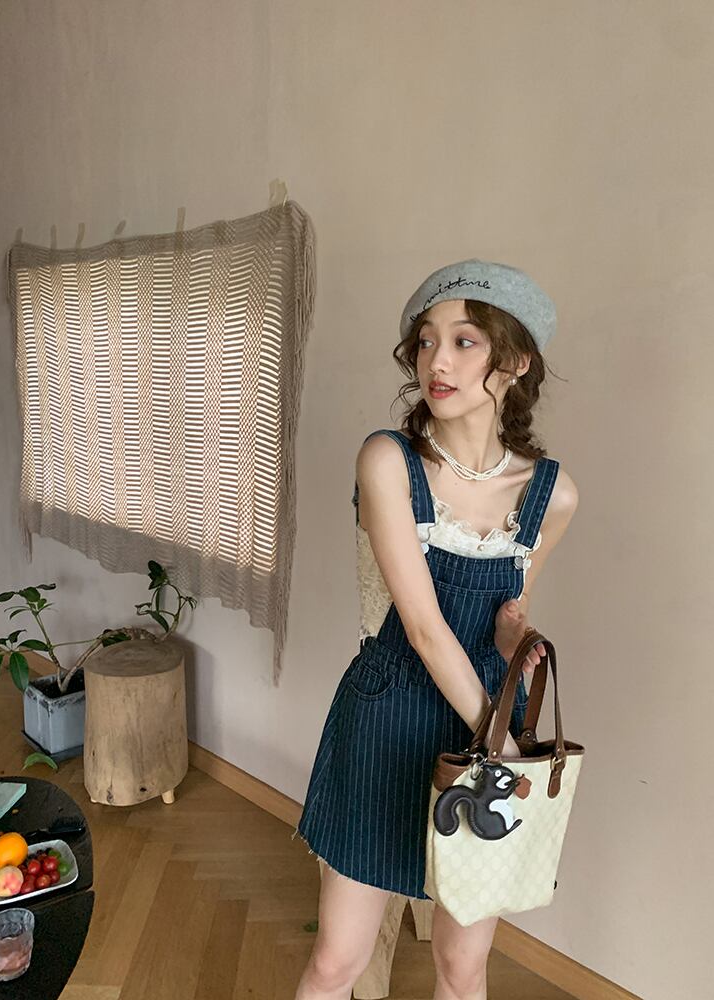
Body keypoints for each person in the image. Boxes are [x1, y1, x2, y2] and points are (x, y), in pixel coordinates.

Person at [292, 259, 579, 1000]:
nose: (436, 362)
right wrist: (500, 740)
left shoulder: (553, 495)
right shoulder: (388, 460)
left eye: (463, 341)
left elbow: (508, 610)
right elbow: (420, 625)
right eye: (425, 341)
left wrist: (515, 640)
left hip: (485, 719)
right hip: (390, 714)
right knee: (337, 961)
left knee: (463, 964)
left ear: (515, 362)